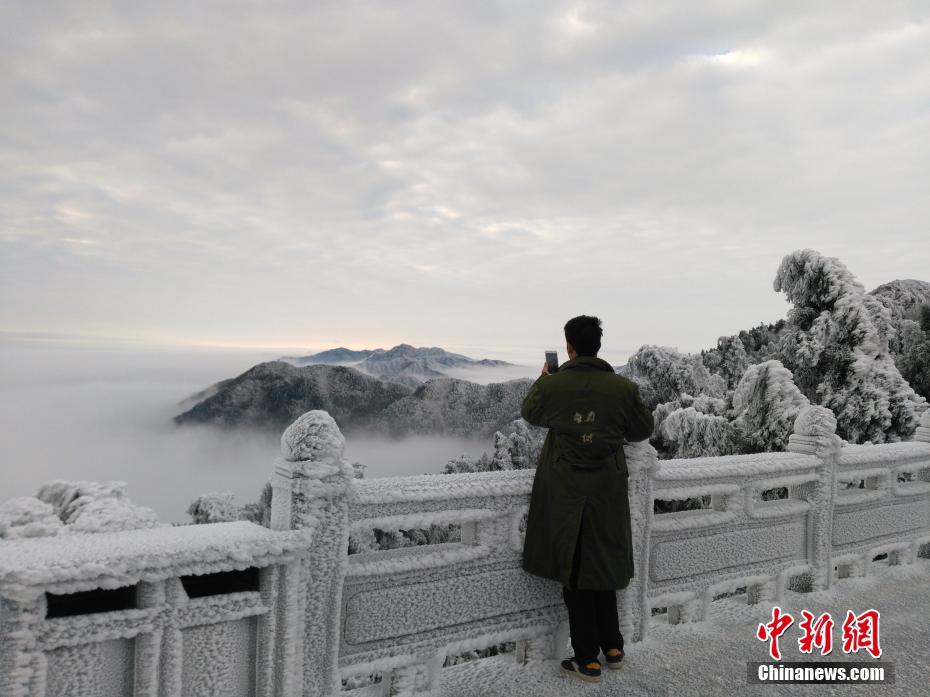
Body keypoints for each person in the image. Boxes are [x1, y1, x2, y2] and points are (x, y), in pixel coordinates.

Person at [520, 315, 654, 684]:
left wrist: (545, 378)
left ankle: (586, 659)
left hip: (564, 491)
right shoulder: (623, 388)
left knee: (575, 571)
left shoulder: (554, 385)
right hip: (606, 490)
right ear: (598, 345)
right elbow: (642, 430)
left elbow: (530, 413)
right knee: (602, 565)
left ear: (569, 347)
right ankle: (612, 647)